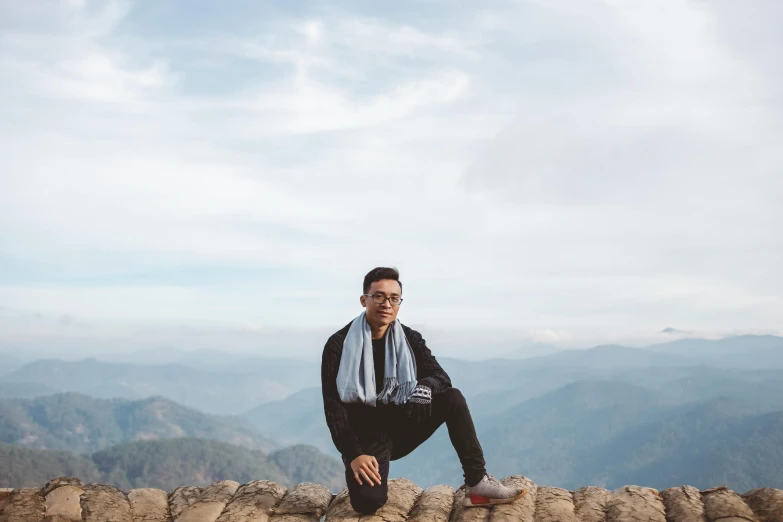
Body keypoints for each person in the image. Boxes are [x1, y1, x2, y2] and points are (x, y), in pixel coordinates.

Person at [321, 267, 526, 514]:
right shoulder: (339, 345)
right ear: (364, 300)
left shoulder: (409, 339)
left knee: (452, 398)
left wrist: (424, 387)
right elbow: (334, 409)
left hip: (404, 421)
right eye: (379, 296)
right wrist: (354, 454)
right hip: (366, 438)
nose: (387, 303)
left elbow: (441, 377)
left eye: (394, 298)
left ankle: (477, 482)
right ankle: (364, 470)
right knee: (367, 503)